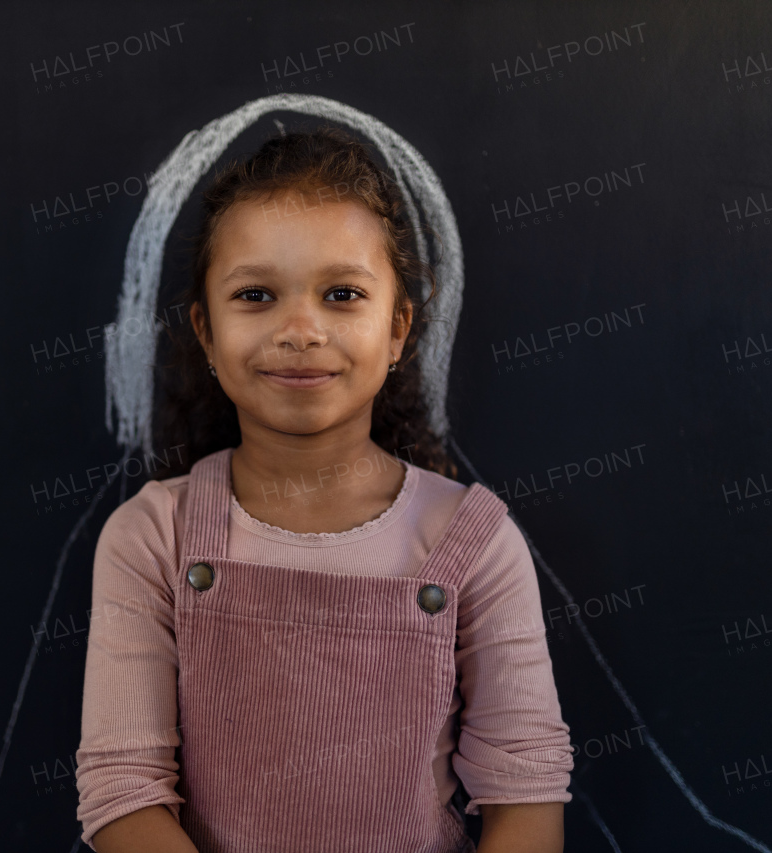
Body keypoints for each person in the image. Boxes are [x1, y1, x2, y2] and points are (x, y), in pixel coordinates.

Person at [75, 127, 573, 853]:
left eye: (342, 294)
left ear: (399, 327)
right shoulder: (153, 536)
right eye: (255, 294)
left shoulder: (474, 542)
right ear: (206, 333)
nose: (301, 329)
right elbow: (124, 790)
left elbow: (526, 794)